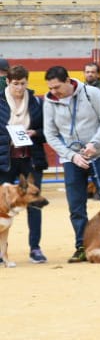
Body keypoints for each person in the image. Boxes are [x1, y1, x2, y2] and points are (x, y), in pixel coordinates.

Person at [42, 63, 100, 263]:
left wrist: (95, 143)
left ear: (68, 81)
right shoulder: (49, 101)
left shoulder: (92, 93)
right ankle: (81, 246)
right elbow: (50, 134)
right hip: (72, 159)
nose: (53, 92)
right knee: (76, 205)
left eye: (57, 87)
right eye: (50, 88)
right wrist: (71, 154)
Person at [0, 65, 48, 264]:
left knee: (34, 202)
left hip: (30, 159)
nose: (19, 88)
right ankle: (2, 253)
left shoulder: (36, 102)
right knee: (1, 206)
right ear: (8, 82)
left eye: (23, 83)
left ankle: (35, 248)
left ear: (27, 82)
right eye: (15, 84)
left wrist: (35, 133)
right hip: (5, 161)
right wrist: (6, 140)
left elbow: (49, 130)